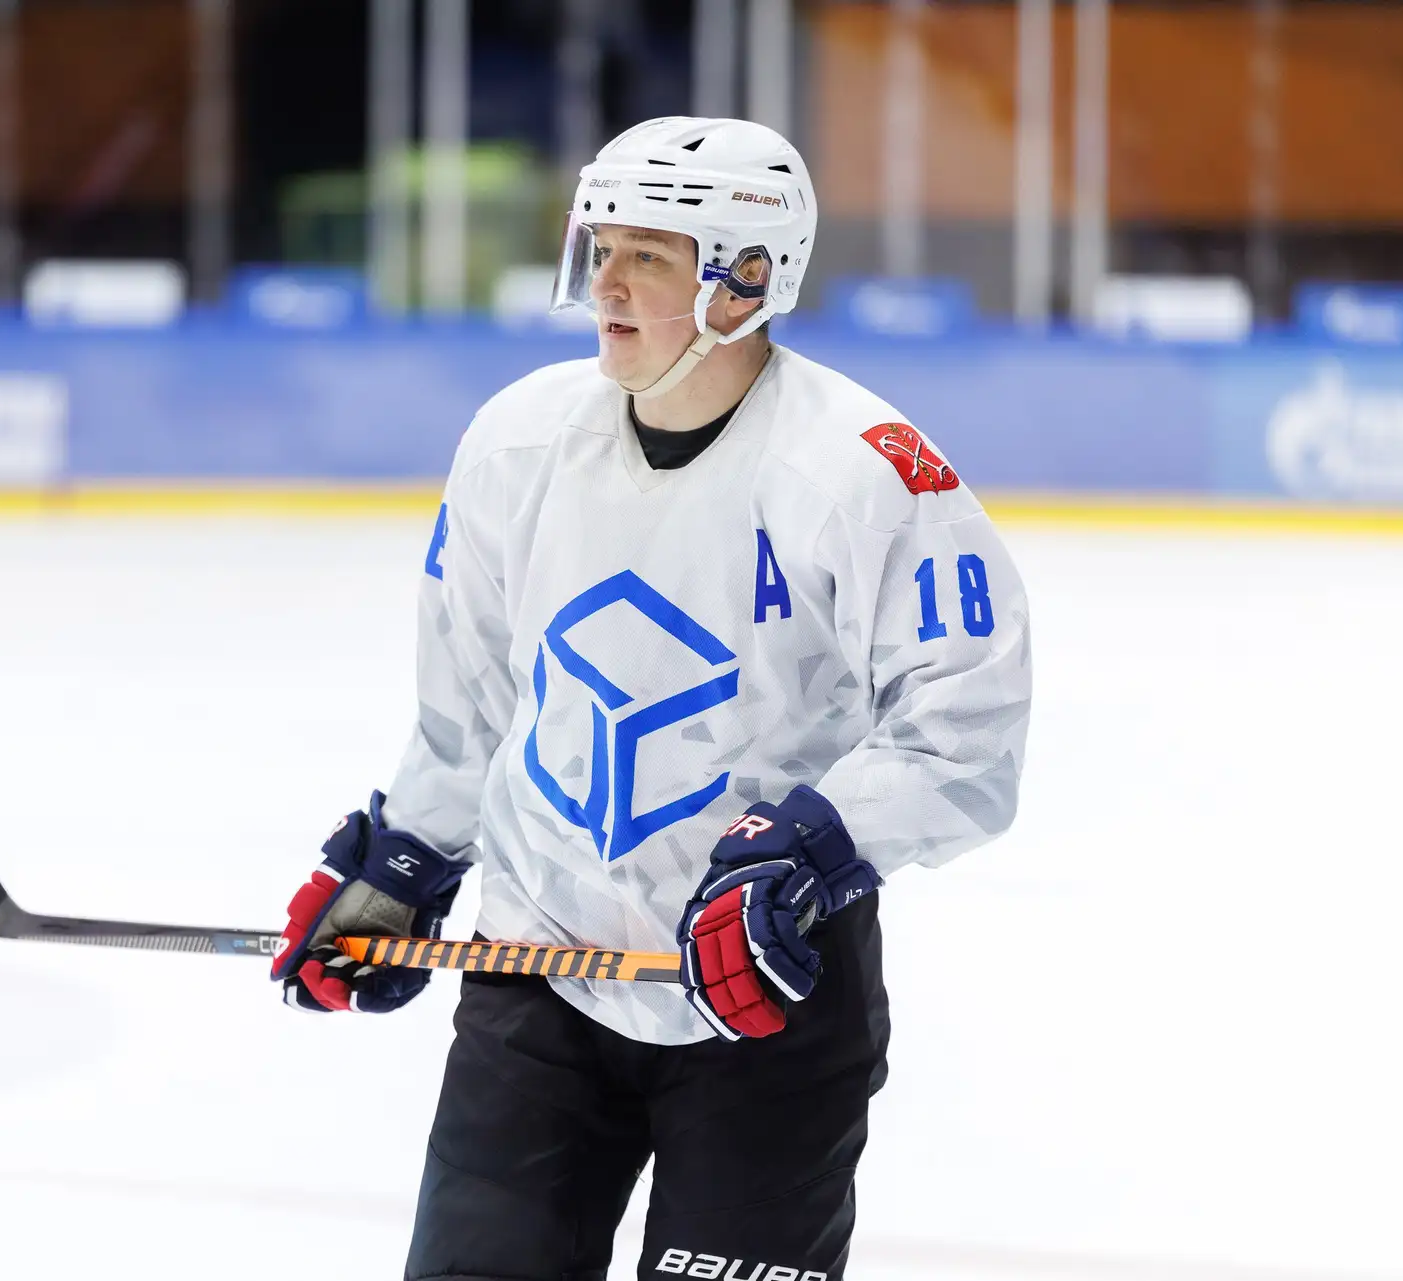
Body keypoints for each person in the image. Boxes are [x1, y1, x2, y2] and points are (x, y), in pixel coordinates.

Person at [271, 116, 1032, 1281]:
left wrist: (815, 852)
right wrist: (407, 860)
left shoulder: (861, 468)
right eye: (602, 248)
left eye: (650, 257)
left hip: (766, 988)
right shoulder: (517, 444)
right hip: (536, 971)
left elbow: (966, 732)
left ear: (747, 280)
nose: (607, 285)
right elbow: (473, 703)